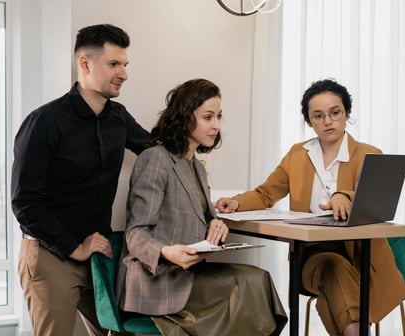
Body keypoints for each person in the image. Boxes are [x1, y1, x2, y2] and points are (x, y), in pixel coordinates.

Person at [216, 79, 405, 336]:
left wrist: (345, 196)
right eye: (318, 116)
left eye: (335, 112)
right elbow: (265, 193)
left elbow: (376, 200)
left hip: (361, 258)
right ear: (309, 121)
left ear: (347, 114)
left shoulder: (369, 153)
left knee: (336, 285)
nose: (328, 120)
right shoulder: (298, 154)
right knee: (332, 267)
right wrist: (238, 202)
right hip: (311, 257)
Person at [116, 78, 288, 335]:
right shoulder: (155, 159)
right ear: (185, 117)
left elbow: (201, 216)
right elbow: (135, 233)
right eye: (208, 117)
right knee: (248, 285)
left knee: (257, 279)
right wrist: (166, 251)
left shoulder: (196, 166)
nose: (216, 125)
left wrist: (216, 224)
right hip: (157, 280)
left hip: (188, 274)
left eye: (219, 117)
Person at [11, 24, 149, 336]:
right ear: (85, 64)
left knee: (123, 331)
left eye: (125, 65)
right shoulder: (44, 122)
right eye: (114, 64)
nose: (123, 74)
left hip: (99, 253)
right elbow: (24, 202)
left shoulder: (119, 117)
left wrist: (199, 130)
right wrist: (74, 247)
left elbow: (157, 149)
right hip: (51, 255)